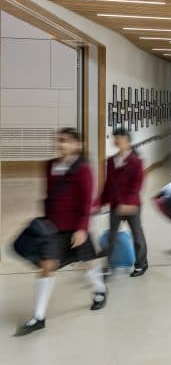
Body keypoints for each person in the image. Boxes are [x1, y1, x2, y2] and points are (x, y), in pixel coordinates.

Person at [14, 127, 106, 336]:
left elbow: (86, 202)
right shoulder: (49, 166)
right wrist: (45, 222)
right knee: (47, 266)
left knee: (87, 262)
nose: (61, 144)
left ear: (78, 145)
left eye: (66, 140)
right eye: (59, 140)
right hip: (53, 229)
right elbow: (48, 196)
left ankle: (99, 290)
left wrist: (82, 229)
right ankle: (38, 317)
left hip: (75, 228)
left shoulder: (83, 169)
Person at [96, 126, 148, 279]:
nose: (117, 141)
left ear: (128, 141)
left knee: (137, 235)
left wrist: (129, 203)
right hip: (116, 205)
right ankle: (109, 266)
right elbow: (108, 184)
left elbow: (137, 184)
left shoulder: (136, 161)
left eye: (121, 138)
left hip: (132, 206)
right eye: (115, 138)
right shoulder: (111, 161)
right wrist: (100, 201)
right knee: (112, 236)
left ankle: (141, 264)